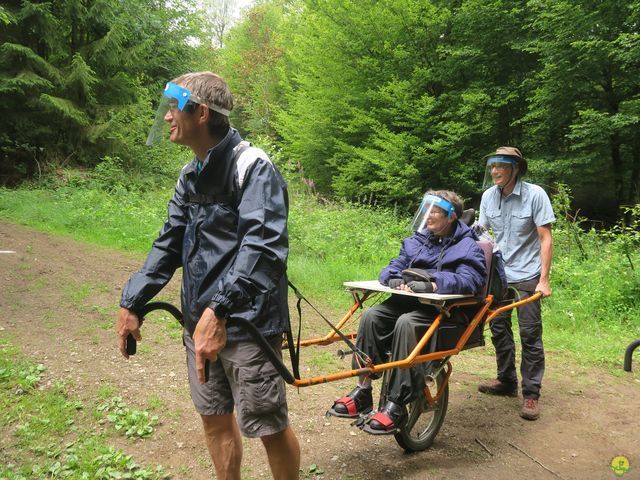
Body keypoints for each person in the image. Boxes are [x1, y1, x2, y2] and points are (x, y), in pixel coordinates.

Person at [115, 72, 300, 479]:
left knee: (267, 425)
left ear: (200, 113)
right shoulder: (190, 173)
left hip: (247, 323)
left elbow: (263, 248)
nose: (166, 117)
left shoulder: (253, 167)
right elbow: (169, 243)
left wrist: (220, 310)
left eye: (173, 108)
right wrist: (132, 300)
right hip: (198, 321)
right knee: (214, 419)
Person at [328, 191, 487, 433]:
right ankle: (363, 390)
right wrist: (393, 279)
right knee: (371, 316)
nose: (428, 215)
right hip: (408, 303)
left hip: (443, 311)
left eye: (435, 211)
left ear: (451, 216)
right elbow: (393, 267)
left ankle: (397, 404)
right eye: (426, 210)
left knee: (406, 323)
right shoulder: (418, 241)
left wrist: (433, 283)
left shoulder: (468, 247)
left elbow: (470, 280)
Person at [477, 146, 555, 421]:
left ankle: (531, 394)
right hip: (500, 274)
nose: (494, 171)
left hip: (528, 274)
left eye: (500, 166)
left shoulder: (535, 195)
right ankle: (506, 381)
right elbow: (482, 235)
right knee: (499, 328)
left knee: (530, 333)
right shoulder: (488, 196)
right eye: (492, 166)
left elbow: (545, 238)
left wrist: (544, 280)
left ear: (515, 168)